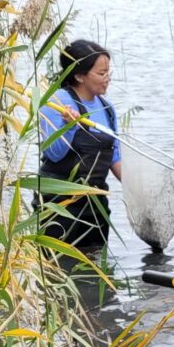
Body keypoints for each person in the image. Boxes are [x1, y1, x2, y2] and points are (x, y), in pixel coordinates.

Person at [36, 39, 121, 250]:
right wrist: (70, 126)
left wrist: (140, 188)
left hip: (95, 206)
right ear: (79, 75)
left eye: (108, 72)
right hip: (59, 205)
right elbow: (53, 153)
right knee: (58, 269)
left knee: (96, 270)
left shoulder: (107, 109)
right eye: (101, 74)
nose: (107, 79)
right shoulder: (56, 102)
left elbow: (115, 157)